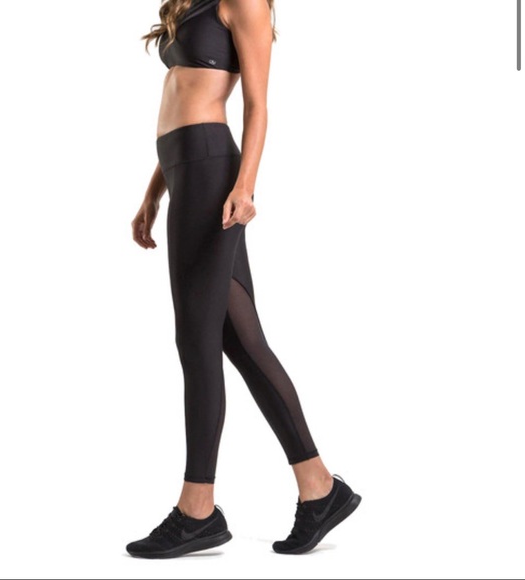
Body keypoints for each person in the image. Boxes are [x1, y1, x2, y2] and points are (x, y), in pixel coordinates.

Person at [127, 0, 361, 559]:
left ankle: (197, 510)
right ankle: (319, 488)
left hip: (213, 173)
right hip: (184, 169)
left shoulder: (244, 1)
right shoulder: (191, 3)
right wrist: (153, 194)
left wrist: (245, 186)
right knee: (240, 340)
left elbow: (256, 104)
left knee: (197, 340)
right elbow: (181, 98)